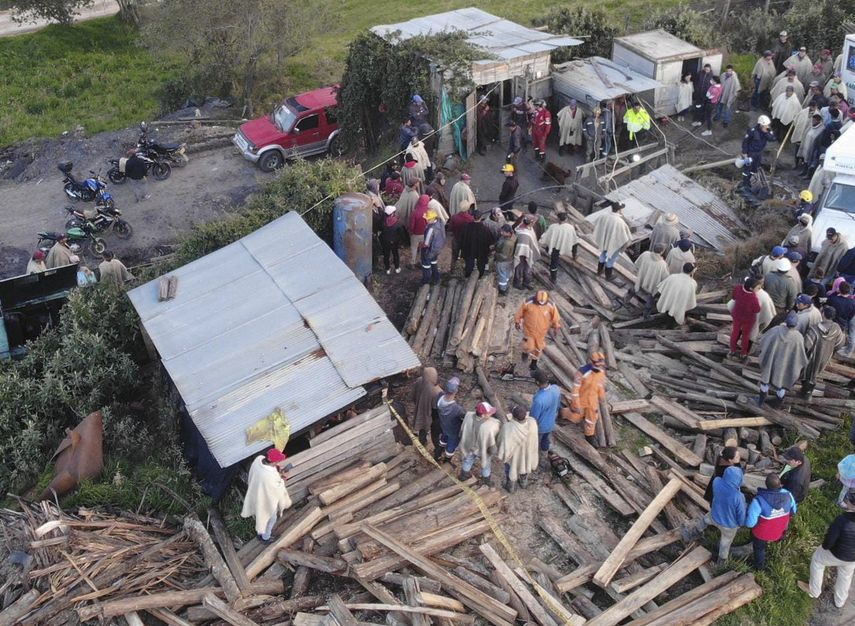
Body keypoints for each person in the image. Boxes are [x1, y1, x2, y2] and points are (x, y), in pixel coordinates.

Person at [800, 489, 855, 608]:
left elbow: (829, 540)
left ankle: (814, 591)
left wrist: (824, 547)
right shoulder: (843, 520)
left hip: (837, 553)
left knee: (817, 560)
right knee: (846, 575)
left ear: (850, 503)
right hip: (852, 558)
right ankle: (840, 601)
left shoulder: (842, 520)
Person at [746, 473, 797, 570]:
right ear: (780, 484)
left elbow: (750, 523)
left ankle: (759, 567)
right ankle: (774, 544)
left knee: (759, 549)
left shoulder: (758, 501)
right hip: (779, 531)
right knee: (772, 537)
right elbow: (793, 511)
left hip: (761, 534)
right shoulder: (788, 495)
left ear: (766, 485)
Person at [241, 448, 292, 541]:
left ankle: (260, 533)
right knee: (272, 519)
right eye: (277, 461)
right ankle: (265, 538)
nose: (278, 462)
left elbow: (268, 476)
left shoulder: (259, 459)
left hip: (254, 492)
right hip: (265, 499)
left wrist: (277, 471)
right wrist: (283, 479)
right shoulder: (268, 476)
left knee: (261, 516)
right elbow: (276, 489)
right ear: (273, 461)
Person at [758, 312, 808, 406]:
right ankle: (778, 403)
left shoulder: (775, 330)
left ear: (786, 321)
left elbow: (763, 340)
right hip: (786, 366)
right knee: (783, 383)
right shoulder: (798, 337)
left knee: (765, 381)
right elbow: (801, 355)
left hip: (771, 362)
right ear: (796, 324)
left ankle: (761, 400)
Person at [562, 352, 607, 447]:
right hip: (581, 400)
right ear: (592, 362)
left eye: (601, 365)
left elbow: (600, 385)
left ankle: (589, 436)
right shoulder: (582, 372)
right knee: (574, 417)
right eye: (597, 365)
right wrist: (576, 404)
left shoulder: (601, 372)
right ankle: (561, 412)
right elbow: (575, 390)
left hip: (592, 401)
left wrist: (601, 397)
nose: (599, 367)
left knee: (592, 419)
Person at [707, 466, 748, 565]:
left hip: (714, 515)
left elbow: (719, 479)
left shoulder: (716, 482)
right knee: (725, 544)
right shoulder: (738, 496)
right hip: (728, 525)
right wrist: (741, 523)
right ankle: (721, 562)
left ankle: (696, 531)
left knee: (704, 520)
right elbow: (741, 513)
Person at [514, 290, 560, 371]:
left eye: (543, 302)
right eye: (539, 302)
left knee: (538, 348)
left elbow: (555, 317)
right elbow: (520, 312)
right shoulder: (528, 302)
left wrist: (556, 326)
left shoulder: (551, 305)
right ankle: (525, 353)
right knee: (528, 345)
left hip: (541, 332)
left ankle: (533, 363)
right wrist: (517, 321)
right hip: (529, 330)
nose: (541, 303)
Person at [458, 402, 501, 486]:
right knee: (486, 464)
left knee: (468, 460)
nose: (491, 414)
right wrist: (492, 451)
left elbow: (462, 430)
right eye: (489, 413)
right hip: (483, 450)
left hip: (469, 446)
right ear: (482, 415)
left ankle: (463, 476)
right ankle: (486, 481)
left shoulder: (468, 416)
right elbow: (492, 444)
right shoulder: (490, 426)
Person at [498, 405, 539, 492]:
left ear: (513, 417)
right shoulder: (532, 423)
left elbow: (502, 442)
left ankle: (511, 487)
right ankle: (524, 483)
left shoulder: (508, 427)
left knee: (510, 468)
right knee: (524, 465)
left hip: (513, 457)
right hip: (527, 453)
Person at [593, 201, 631, 280]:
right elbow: (626, 237)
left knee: (603, 254)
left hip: (605, 241)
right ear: (619, 210)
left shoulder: (604, 216)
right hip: (614, 243)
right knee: (611, 259)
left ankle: (599, 272)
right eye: (621, 209)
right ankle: (608, 276)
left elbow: (597, 223)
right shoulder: (620, 222)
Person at [631, 244, 670, 318]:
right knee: (650, 301)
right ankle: (645, 315)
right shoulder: (663, 264)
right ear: (661, 252)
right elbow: (665, 279)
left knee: (632, 289)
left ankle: (626, 300)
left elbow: (636, 265)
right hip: (651, 288)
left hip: (640, 282)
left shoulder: (645, 254)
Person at [730, 276, 762, 359]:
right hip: (748, 319)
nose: (759, 289)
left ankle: (732, 350)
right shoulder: (753, 298)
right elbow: (757, 310)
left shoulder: (738, 288)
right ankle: (743, 353)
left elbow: (733, 297)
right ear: (751, 288)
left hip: (737, 315)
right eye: (758, 288)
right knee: (745, 335)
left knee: (735, 332)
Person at [539, 213, 578, 282]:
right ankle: (574, 256)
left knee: (554, 262)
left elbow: (547, 237)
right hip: (563, 245)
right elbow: (574, 241)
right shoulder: (570, 227)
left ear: (558, 219)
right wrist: (574, 253)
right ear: (566, 219)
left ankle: (553, 278)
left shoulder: (553, 227)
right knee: (575, 243)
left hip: (554, 247)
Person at [530, 369, 560, 455]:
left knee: (536, 440)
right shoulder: (556, 389)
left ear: (537, 382)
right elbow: (557, 405)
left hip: (541, 426)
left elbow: (533, 417)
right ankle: (545, 453)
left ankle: (534, 454)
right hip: (551, 422)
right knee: (545, 439)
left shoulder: (539, 399)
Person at [411, 366, 441, 453]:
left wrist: (419, 403)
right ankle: (437, 450)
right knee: (434, 434)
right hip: (430, 414)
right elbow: (436, 408)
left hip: (420, 411)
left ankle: (422, 443)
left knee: (422, 429)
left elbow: (412, 396)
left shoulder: (419, 380)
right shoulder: (435, 391)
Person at [740, 116, 776, 190]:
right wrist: (745, 153)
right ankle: (745, 184)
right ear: (760, 125)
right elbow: (745, 142)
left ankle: (750, 182)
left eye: (767, 126)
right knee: (747, 169)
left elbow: (772, 139)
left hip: (758, 154)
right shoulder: (752, 131)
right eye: (765, 126)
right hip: (751, 153)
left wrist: (768, 132)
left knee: (754, 169)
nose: (767, 127)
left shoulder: (766, 132)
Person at [436, 377, 466, 463]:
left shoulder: (439, 396)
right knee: (451, 446)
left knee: (443, 439)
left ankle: (437, 454)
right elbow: (464, 418)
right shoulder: (457, 409)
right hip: (453, 431)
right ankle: (447, 460)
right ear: (456, 391)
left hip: (443, 426)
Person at [459, 211, 494, 278]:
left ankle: (468, 275)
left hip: (469, 249)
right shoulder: (485, 229)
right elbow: (490, 241)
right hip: (481, 250)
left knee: (469, 262)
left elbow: (461, 239)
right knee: (481, 263)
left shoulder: (466, 227)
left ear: (472, 217)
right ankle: (480, 275)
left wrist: (462, 248)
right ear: (481, 218)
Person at [827, 282, 855, 356]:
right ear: (849, 291)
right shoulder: (852, 303)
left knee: (827, 338)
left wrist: (835, 292)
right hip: (842, 324)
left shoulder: (833, 299)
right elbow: (851, 315)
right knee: (836, 340)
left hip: (831, 321)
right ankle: (832, 352)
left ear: (839, 289)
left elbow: (827, 303)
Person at [512, 216, 540, 290]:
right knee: (519, 267)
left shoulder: (527, 227)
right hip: (521, 252)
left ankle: (526, 282)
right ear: (530, 222)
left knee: (527, 267)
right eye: (533, 222)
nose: (534, 223)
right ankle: (517, 283)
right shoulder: (524, 232)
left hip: (527, 251)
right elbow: (523, 242)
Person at [420, 210, 445, 285]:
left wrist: (421, 246)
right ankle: (436, 277)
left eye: (427, 219)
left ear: (432, 219)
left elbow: (426, 244)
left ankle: (426, 281)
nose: (426, 220)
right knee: (434, 262)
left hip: (430, 250)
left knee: (426, 265)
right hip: (438, 248)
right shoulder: (440, 223)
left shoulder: (431, 229)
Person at [380, 206, 407, 275]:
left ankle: (387, 269)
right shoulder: (397, 223)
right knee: (395, 254)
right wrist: (402, 241)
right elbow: (402, 234)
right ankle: (397, 268)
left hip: (385, 242)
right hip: (394, 242)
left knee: (386, 255)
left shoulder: (383, 222)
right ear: (392, 213)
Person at [494, 225, 516, 295]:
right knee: (506, 273)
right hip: (510, 259)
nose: (501, 233)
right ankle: (506, 285)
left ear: (508, 232)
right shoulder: (513, 237)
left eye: (503, 232)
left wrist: (495, 254)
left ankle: (502, 289)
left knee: (502, 274)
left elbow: (503, 256)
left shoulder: (507, 243)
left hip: (503, 261)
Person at [408, 194, 430, 267]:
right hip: (425, 234)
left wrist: (411, 232)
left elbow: (411, 225)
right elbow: (432, 222)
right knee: (422, 249)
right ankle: (421, 262)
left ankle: (412, 263)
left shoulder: (414, 212)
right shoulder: (429, 211)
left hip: (415, 234)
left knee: (414, 248)